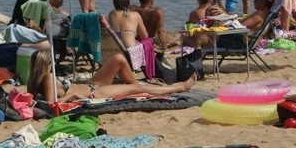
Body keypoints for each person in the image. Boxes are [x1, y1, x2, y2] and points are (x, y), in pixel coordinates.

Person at [27, 50, 194, 103]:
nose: (53, 64)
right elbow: (53, 106)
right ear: (45, 64)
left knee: (118, 59)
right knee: (137, 88)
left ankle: (133, 87)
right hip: (93, 94)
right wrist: (71, 95)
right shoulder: (48, 77)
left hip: (92, 85)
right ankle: (180, 87)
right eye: (51, 61)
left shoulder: (38, 81)